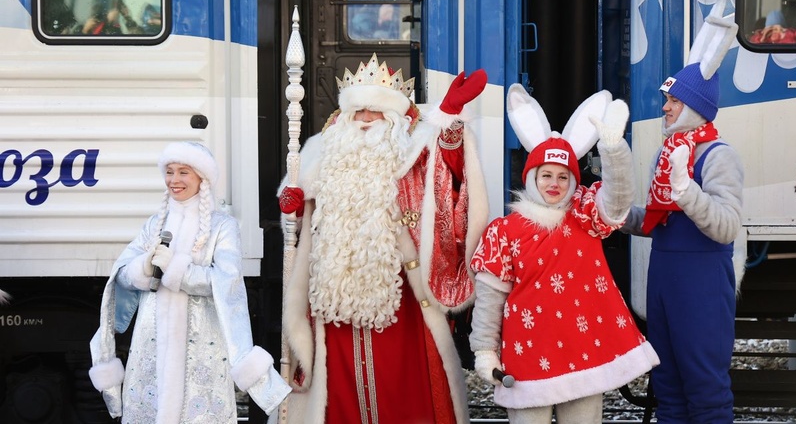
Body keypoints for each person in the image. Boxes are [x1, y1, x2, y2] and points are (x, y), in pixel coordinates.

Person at [276, 54, 489, 423]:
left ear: (393, 116)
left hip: (400, 291)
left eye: (375, 111)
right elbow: (296, 221)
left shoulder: (413, 149)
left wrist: (451, 122)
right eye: (358, 111)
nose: (365, 119)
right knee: (336, 390)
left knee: (403, 387)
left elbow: (450, 176)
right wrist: (291, 207)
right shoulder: (320, 150)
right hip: (334, 292)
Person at [468, 85, 659, 424]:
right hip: (528, 356)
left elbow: (617, 203)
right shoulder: (505, 231)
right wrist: (484, 349)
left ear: (573, 181)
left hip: (582, 353)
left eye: (562, 176)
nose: (554, 184)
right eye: (546, 175)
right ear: (531, 177)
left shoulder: (585, 215)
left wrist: (613, 152)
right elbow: (489, 299)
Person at [88, 141, 291, 422]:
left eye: (184, 172)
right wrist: (143, 267)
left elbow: (226, 282)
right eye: (170, 171)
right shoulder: (154, 225)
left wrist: (175, 269)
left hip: (202, 344)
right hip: (152, 342)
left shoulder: (223, 227)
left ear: (201, 178)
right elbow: (121, 276)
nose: (174, 180)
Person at [621, 3, 744, 423]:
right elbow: (659, 221)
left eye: (674, 100)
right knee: (668, 391)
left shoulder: (719, 156)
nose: (666, 108)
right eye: (667, 100)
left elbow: (726, 227)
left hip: (701, 283)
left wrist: (686, 190)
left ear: (694, 106)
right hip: (665, 280)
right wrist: (616, 213)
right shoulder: (669, 152)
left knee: (706, 392)